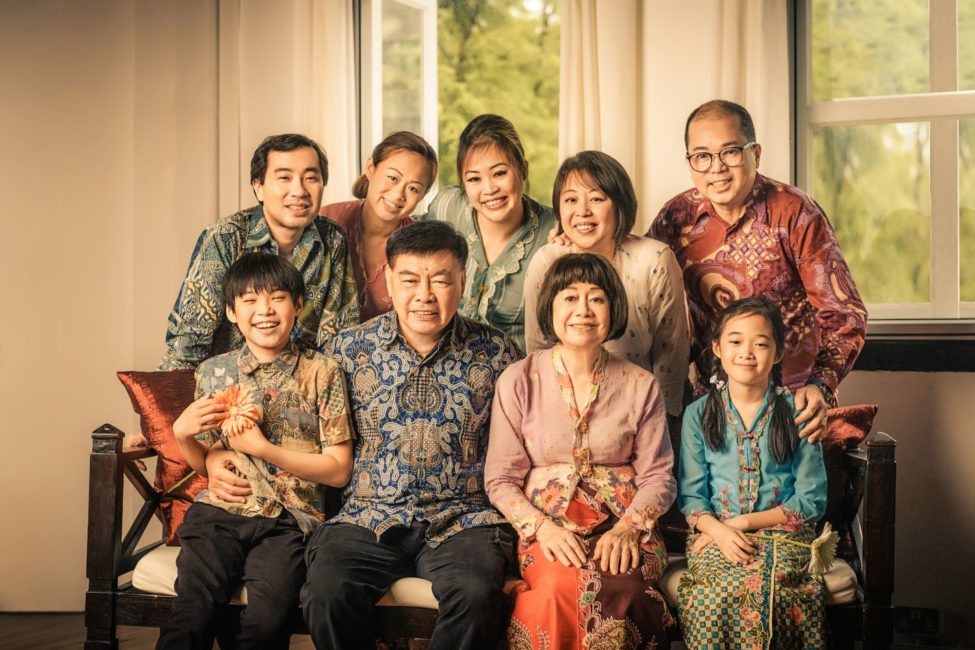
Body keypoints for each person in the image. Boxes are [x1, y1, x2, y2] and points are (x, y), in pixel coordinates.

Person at [300, 220, 522, 650]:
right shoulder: (345, 351)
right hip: (367, 514)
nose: (424, 295)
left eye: (441, 280)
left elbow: (520, 451)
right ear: (388, 279)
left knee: (476, 592)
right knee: (326, 592)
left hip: (465, 519)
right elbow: (308, 438)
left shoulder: (500, 353)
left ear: (463, 279)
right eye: (410, 280)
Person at [156, 252, 354, 650]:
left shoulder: (323, 372)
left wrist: (263, 448)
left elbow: (338, 471)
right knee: (193, 613)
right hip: (219, 514)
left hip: (290, 522)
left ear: (298, 305)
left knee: (267, 623)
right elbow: (208, 463)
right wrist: (184, 437)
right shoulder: (214, 371)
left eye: (277, 298)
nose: (264, 310)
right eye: (249, 300)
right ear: (231, 312)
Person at [486, 253, 677, 649]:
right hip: (547, 527)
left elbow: (660, 476)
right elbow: (500, 478)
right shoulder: (519, 379)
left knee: (625, 592)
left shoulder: (641, 384)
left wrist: (629, 528)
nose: (583, 311)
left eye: (596, 298)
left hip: (626, 527)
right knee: (554, 589)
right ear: (550, 308)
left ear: (613, 309)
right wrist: (542, 529)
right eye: (570, 298)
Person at [649, 100, 867, 441]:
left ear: (756, 153)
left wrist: (819, 385)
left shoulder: (795, 213)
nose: (716, 168)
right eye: (702, 156)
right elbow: (640, 289)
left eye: (731, 152)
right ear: (690, 162)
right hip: (708, 409)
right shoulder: (675, 217)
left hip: (792, 405)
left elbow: (844, 315)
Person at [677, 297, 829, 649]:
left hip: (783, 537)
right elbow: (691, 497)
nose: (747, 352)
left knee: (775, 590)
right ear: (717, 347)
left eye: (760, 343)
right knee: (712, 597)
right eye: (735, 341)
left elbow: (811, 499)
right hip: (714, 537)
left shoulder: (797, 412)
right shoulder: (697, 415)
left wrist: (741, 524)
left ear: (777, 353)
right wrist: (717, 530)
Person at [159, 133, 359, 370]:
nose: (299, 190)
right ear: (258, 186)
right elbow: (188, 344)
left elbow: (340, 336)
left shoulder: (332, 239)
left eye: (311, 178)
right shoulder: (226, 237)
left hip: (303, 388)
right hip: (229, 387)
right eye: (284, 177)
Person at [524, 150, 690, 420]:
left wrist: (661, 425)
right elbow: (537, 349)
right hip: (564, 411)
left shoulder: (653, 260)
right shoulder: (547, 261)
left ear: (619, 204)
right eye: (570, 200)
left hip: (640, 412)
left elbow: (670, 356)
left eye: (597, 198)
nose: (582, 212)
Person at [420, 113, 557, 351]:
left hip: (519, 376)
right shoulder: (447, 207)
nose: (489, 189)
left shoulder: (554, 230)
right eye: (474, 179)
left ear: (523, 170)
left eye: (499, 173)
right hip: (445, 369)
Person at [320, 131, 438, 321]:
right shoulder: (325, 220)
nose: (399, 194)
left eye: (413, 188)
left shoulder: (420, 248)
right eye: (392, 178)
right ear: (370, 168)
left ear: (422, 197)